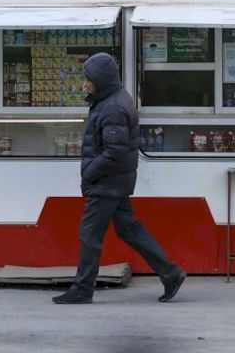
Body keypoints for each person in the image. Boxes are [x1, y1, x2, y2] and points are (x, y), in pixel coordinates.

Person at [52, 53, 186, 305]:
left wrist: (90, 173)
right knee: (129, 229)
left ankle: (82, 289)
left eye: (89, 79)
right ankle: (170, 273)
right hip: (115, 181)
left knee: (89, 234)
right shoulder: (112, 100)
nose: (85, 84)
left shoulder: (112, 107)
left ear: (101, 80)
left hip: (106, 182)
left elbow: (114, 151)